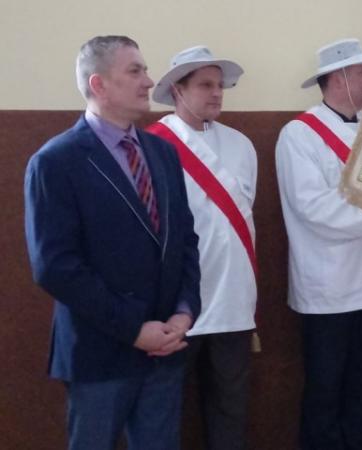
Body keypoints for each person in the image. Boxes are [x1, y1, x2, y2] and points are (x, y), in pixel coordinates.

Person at [23, 35, 201, 450]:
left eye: (145, 70)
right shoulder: (55, 161)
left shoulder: (162, 153)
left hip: (164, 347)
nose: (149, 81)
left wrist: (184, 309)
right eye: (135, 71)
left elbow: (185, 239)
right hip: (99, 352)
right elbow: (54, 266)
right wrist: (133, 329)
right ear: (99, 84)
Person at [275, 38, 362, 450]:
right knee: (325, 391)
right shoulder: (299, 135)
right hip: (329, 287)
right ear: (339, 77)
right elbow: (317, 210)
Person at [147, 46, 257, 450]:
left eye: (220, 85)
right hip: (177, 306)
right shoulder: (152, 144)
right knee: (163, 411)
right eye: (205, 85)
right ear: (178, 90)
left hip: (233, 300)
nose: (216, 93)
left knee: (231, 409)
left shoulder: (242, 145)